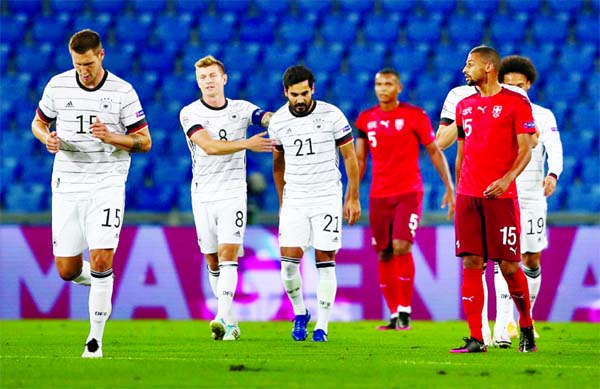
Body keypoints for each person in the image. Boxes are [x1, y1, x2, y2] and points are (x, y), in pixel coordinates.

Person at [31, 29, 152, 358]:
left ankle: (94, 342)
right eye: (77, 64)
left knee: (101, 258)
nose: (83, 70)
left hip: (107, 182)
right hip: (68, 183)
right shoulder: (57, 85)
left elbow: (144, 141)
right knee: (67, 270)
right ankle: (103, 285)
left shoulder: (122, 92)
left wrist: (113, 138)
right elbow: (38, 122)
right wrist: (46, 138)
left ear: (101, 55)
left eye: (87, 63)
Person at [436, 64, 535, 347]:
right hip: (469, 196)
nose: (465, 69)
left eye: (470, 64)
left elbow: (526, 149)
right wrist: (456, 191)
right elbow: (460, 154)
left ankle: (525, 324)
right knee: (471, 262)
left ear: (488, 67)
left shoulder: (516, 102)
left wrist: (507, 179)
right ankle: (476, 338)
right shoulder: (463, 105)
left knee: (508, 267)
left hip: (501, 197)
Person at [179, 55, 274, 341]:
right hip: (203, 193)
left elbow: (265, 117)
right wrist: (248, 143)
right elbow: (208, 146)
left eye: (212, 76)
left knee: (228, 254)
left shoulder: (241, 109)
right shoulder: (190, 113)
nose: (207, 81)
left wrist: (280, 119)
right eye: (202, 77)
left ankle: (220, 315)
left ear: (224, 79)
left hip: (233, 192)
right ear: (198, 82)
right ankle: (230, 320)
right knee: (212, 260)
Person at [355, 68, 455, 330]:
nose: (382, 88)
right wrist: (351, 194)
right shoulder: (365, 119)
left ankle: (406, 310)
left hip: (409, 192)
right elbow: (360, 160)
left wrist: (449, 186)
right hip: (378, 195)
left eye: (388, 84)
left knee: (401, 246)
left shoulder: (414, 116)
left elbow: (434, 151)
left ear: (398, 88)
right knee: (384, 252)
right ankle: (393, 313)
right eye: (378, 84)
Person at [268, 65, 361, 342]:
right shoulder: (279, 122)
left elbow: (349, 158)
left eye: (304, 93)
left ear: (313, 90)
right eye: (294, 94)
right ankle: (300, 313)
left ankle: (322, 325)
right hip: (295, 197)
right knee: (287, 264)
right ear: (285, 92)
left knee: (325, 259)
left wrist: (352, 197)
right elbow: (277, 165)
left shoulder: (332, 115)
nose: (299, 99)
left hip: (326, 197)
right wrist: (282, 201)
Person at [492, 55, 563, 347]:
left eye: (520, 86)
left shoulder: (543, 115)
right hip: (504, 195)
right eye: (509, 86)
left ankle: (524, 319)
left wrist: (553, 174)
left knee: (531, 260)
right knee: (503, 260)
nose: (515, 91)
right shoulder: (496, 112)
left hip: (533, 197)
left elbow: (555, 147)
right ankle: (501, 326)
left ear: (529, 85)